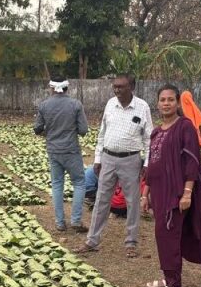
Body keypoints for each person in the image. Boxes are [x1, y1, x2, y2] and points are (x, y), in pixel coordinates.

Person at [140, 84, 201, 287]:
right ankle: (169, 277)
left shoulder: (184, 127)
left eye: (170, 100)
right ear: (157, 103)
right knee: (164, 237)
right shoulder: (156, 132)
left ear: (177, 103)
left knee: (168, 236)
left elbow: (192, 162)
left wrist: (187, 193)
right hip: (158, 193)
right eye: (162, 99)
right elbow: (151, 165)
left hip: (175, 194)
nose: (166, 103)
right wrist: (145, 195)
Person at [78, 74, 153, 258]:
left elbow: (149, 139)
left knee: (132, 202)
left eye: (121, 86)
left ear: (132, 87)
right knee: (101, 200)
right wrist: (97, 158)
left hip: (131, 160)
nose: (117, 90)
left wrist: (147, 162)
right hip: (108, 158)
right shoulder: (110, 104)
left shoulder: (142, 107)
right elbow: (102, 134)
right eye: (115, 86)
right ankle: (92, 240)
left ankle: (131, 242)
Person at [34, 77, 88, 232]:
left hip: (53, 151)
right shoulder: (76, 104)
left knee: (57, 185)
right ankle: (76, 220)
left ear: (52, 88)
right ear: (67, 88)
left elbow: (37, 128)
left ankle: (59, 222)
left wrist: (49, 133)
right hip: (71, 150)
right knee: (79, 183)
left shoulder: (44, 105)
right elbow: (83, 130)